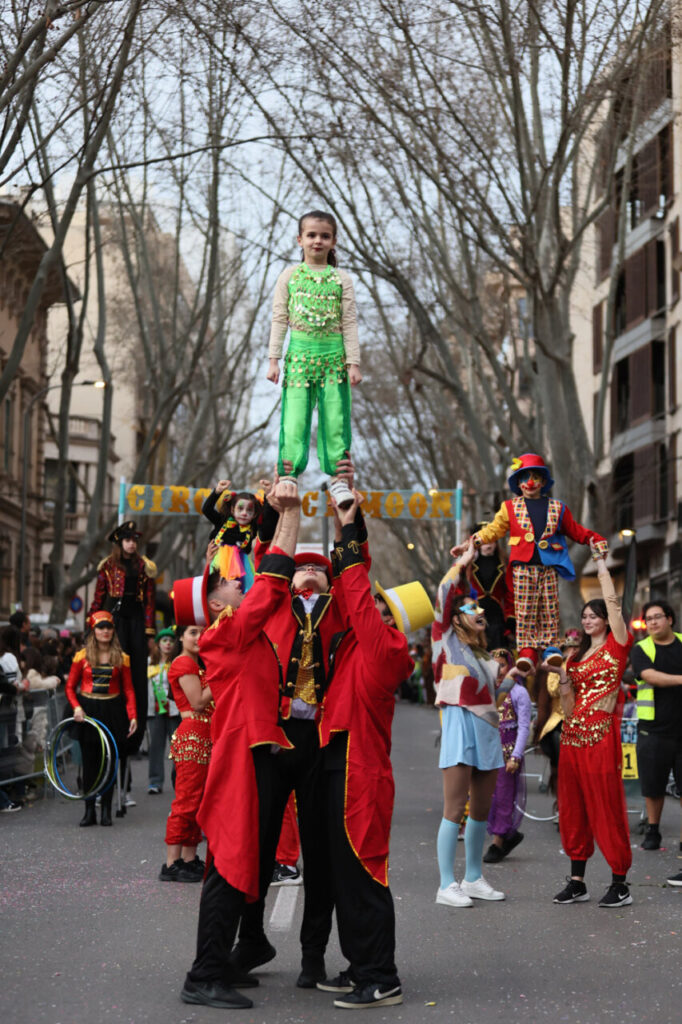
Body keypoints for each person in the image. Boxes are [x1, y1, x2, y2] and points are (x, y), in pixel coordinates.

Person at [231, 462, 369, 989]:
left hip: (320, 742)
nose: (308, 572)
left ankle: (314, 955)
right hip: (275, 737)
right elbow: (265, 555)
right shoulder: (270, 605)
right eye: (300, 568)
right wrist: (273, 504)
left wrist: (345, 508)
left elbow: (356, 563)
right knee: (258, 845)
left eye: (317, 568)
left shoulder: (340, 612)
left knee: (321, 851)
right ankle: (251, 939)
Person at [178, 477, 302, 1010]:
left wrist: (276, 517)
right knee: (227, 866)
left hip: (249, 753)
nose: (239, 581)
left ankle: (231, 957)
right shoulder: (225, 632)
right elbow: (274, 584)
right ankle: (204, 974)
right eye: (229, 580)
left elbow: (272, 589)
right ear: (213, 601)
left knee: (238, 863)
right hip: (235, 760)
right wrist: (291, 513)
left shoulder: (235, 630)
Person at [316, 491, 432, 1010]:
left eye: (380, 603)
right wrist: (348, 522)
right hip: (342, 760)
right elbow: (349, 595)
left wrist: (351, 545)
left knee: (364, 871)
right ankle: (361, 963)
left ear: (392, 617)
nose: (367, 604)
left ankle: (381, 977)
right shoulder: (363, 639)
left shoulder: (388, 649)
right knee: (346, 874)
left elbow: (356, 595)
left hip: (360, 771)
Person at [455, 453, 608, 673]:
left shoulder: (558, 508)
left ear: (544, 482)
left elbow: (576, 531)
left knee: (549, 608)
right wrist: (469, 543)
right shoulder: (509, 507)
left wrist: (596, 539)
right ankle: (527, 651)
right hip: (522, 567)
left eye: (535, 477)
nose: (530, 483)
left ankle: (550, 648)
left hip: (548, 566)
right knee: (525, 611)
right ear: (517, 483)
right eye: (524, 477)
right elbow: (492, 531)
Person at [551, 540, 633, 908]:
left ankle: (620, 882)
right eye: (584, 616)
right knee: (573, 807)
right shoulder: (576, 656)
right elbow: (567, 704)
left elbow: (613, 602)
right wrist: (562, 675)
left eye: (593, 614)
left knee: (606, 805)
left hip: (601, 733)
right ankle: (577, 880)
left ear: (606, 619)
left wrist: (601, 564)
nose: (587, 620)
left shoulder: (618, 643)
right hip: (573, 736)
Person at [267, 209, 362, 508]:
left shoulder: (341, 279)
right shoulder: (289, 276)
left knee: (335, 419)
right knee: (294, 419)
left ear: (334, 241)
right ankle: (288, 476)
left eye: (324, 236)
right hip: (298, 361)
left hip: (335, 360)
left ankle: (338, 480)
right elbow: (279, 319)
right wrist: (274, 360)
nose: (317, 241)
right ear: (299, 240)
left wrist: (353, 364)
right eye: (311, 235)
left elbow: (349, 323)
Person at [432, 538, 505, 908]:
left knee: (480, 810)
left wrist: (516, 675)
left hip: (488, 729)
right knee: (454, 808)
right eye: (470, 607)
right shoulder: (443, 640)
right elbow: (447, 591)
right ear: (456, 617)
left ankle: (473, 877)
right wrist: (465, 561)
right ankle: (447, 884)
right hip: (459, 725)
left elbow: (495, 696)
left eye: (479, 607)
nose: (478, 611)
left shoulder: (485, 654)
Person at [89, 521, 155, 763]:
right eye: (127, 539)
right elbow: (98, 600)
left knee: (136, 673)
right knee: (116, 669)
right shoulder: (107, 567)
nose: (131, 543)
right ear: (119, 542)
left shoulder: (144, 566)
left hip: (137, 621)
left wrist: (149, 634)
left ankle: (134, 728)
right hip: (116, 621)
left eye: (134, 540)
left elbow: (149, 602)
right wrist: (92, 627)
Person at [65, 611, 137, 827]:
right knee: (89, 764)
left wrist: (133, 716)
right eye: (100, 627)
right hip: (87, 710)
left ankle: (106, 810)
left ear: (113, 630)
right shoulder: (81, 656)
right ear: (93, 631)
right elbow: (69, 687)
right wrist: (76, 707)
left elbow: (129, 690)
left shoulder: (122, 658)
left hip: (113, 710)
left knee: (110, 762)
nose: (105, 631)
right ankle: (89, 811)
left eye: (108, 627)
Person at [160, 623, 214, 882]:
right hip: (193, 736)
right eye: (192, 632)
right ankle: (171, 863)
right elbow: (198, 702)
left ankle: (189, 859)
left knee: (199, 802)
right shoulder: (183, 663)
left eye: (202, 631)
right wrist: (222, 673)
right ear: (180, 636)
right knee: (187, 801)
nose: (198, 637)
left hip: (204, 737)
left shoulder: (197, 664)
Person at [629, 601, 682, 859]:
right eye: (648, 618)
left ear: (669, 619)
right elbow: (650, 676)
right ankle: (653, 830)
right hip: (653, 729)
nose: (652, 622)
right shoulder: (641, 649)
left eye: (657, 617)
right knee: (653, 785)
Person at [484, 649, 532, 863]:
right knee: (486, 797)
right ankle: (508, 835)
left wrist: (516, 755)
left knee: (503, 797)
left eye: (502, 665)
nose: (498, 669)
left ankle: (498, 842)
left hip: (507, 754)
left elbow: (523, 727)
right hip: (486, 753)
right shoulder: (486, 691)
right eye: (493, 665)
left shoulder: (519, 692)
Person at [454, 527, 515, 650]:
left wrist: (510, 616)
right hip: (474, 606)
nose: (488, 545)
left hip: (496, 609)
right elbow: (459, 587)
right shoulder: (469, 563)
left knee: (497, 644)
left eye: (492, 541)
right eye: (485, 542)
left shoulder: (504, 563)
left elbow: (510, 593)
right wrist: (461, 610)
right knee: (476, 640)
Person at [201, 480, 262, 590]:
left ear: (254, 514)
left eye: (249, 510)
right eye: (240, 508)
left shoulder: (253, 528)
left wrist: (268, 498)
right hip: (218, 564)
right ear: (232, 510)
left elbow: (270, 523)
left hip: (242, 567)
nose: (244, 513)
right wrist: (217, 491)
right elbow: (207, 509)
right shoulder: (222, 521)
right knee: (218, 590)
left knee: (242, 592)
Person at [147, 627, 179, 795]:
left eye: (171, 641)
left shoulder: (178, 662)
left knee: (177, 748)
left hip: (175, 711)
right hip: (155, 711)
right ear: (158, 643)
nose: (167, 644)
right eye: (164, 640)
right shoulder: (149, 662)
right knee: (155, 747)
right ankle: (155, 781)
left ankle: (179, 780)